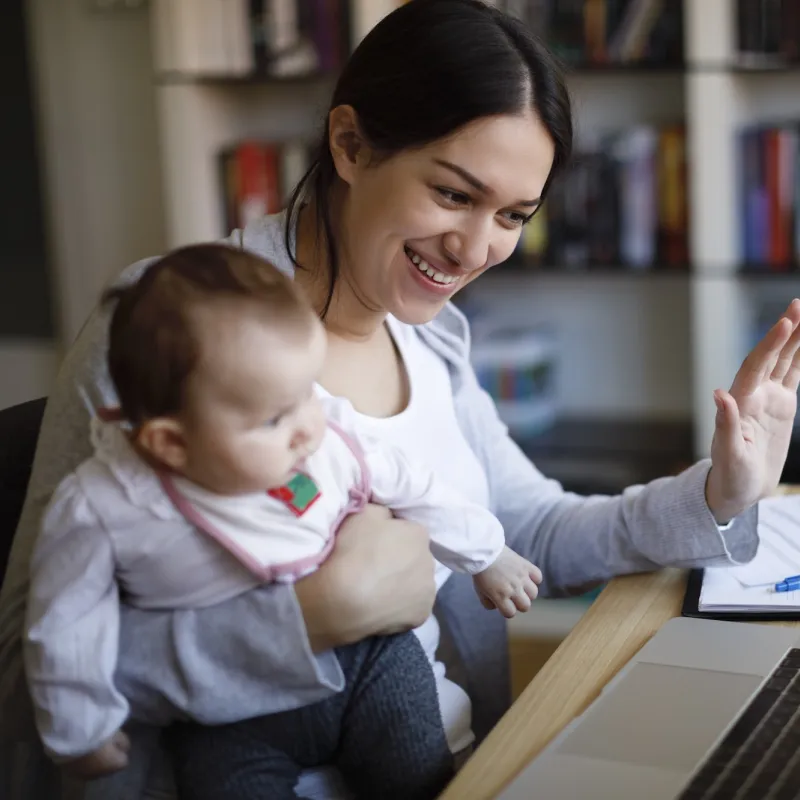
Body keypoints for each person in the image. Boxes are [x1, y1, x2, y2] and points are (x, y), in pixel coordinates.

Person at [1, 0, 800, 798]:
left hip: (453, 766)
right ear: (350, 144)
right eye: (454, 194)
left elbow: (533, 532)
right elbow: (26, 664)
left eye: (513, 215)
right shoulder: (166, 321)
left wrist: (717, 497)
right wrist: (313, 617)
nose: (476, 248)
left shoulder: (432, 336)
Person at [23, 243, 540, 800]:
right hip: (226, 709)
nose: (307, 428)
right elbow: (65, 622)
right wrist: (81, 727)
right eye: (273, 417)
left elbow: (416, 485)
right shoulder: (105, 504)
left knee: (417, 773)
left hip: (367, 660)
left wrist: (488, 554)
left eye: (308, 394)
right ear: (169, 443)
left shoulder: (320, 431)